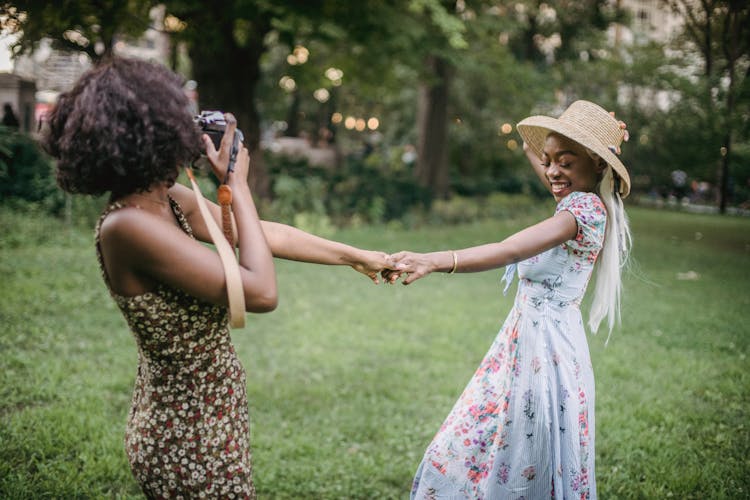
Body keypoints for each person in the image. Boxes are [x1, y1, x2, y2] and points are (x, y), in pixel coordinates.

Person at [43, 57, 392, 498]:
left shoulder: (165, 199)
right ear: (147, 135)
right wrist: (237, 185)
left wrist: (354, 256)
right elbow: (260, 292)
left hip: (211, 415)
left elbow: (260, 235)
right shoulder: (129, 226)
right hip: (184, 436)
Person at [388, 100, 632, 499]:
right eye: (548, 160)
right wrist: (547, 144)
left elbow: (507, 249)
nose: (553, 171)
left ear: (599, 166)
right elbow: (544, 163)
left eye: (566, 163)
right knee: (503, 437)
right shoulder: (574, 200)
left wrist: (434, 260)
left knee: (519, 445)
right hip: (527, 340)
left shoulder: (581, 212)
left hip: (546, 351)